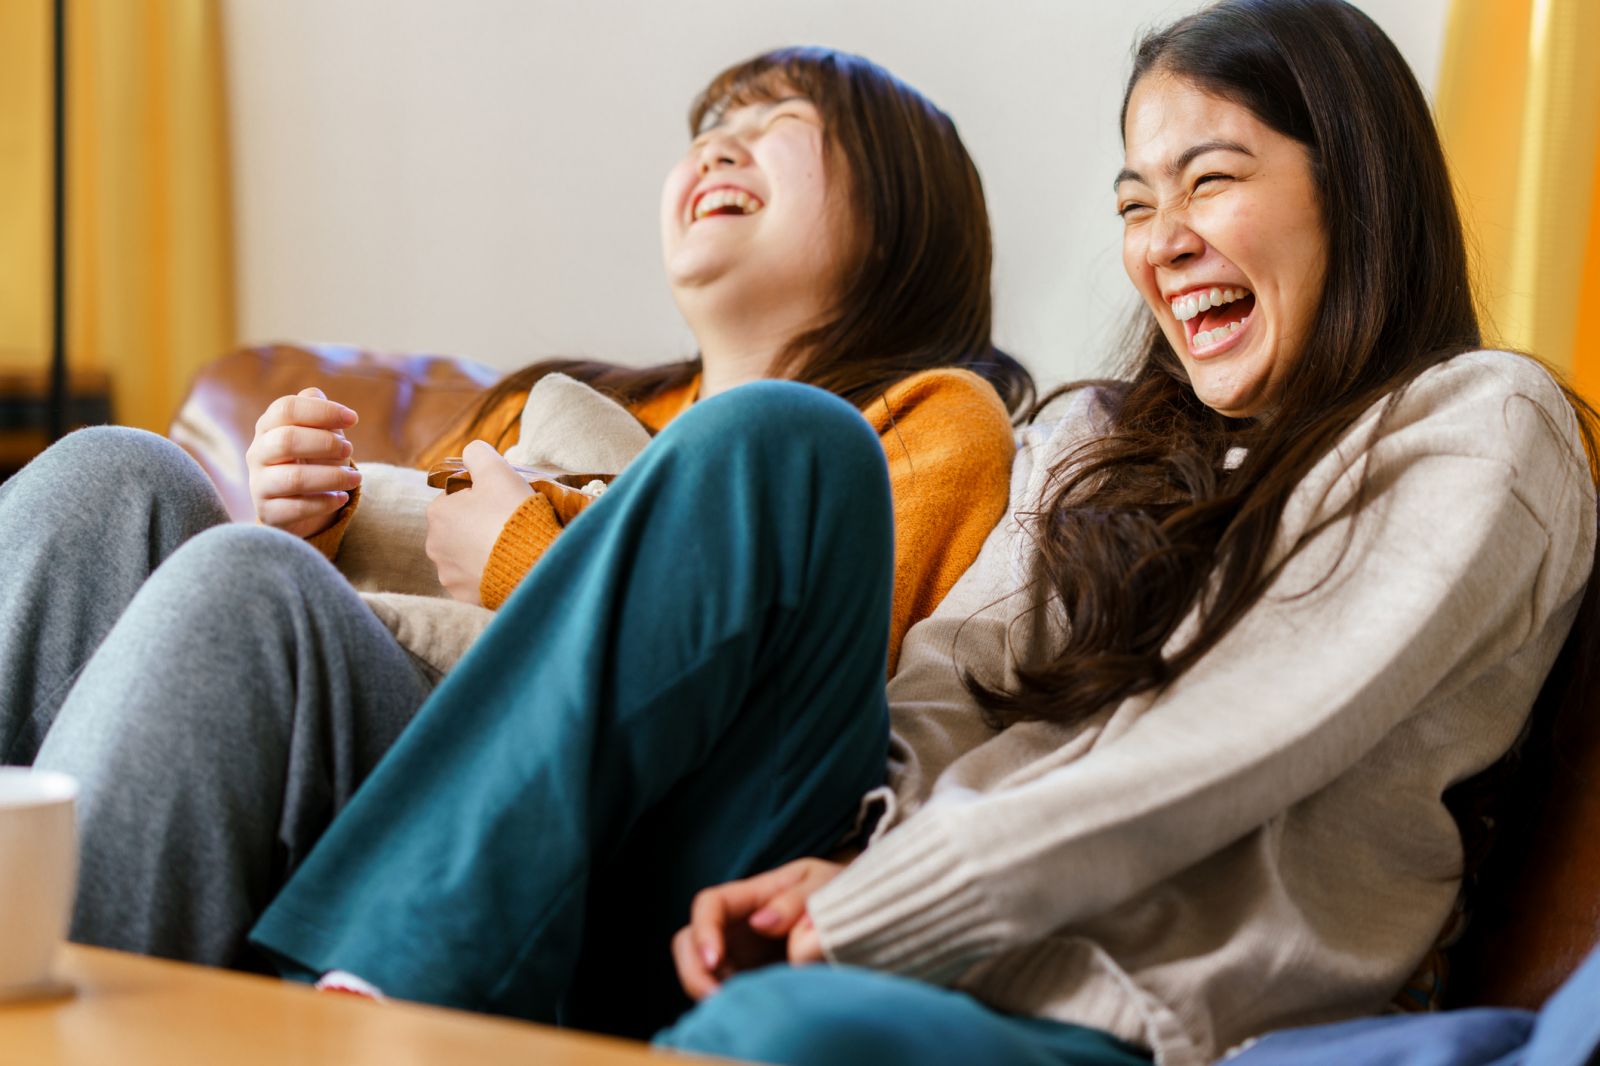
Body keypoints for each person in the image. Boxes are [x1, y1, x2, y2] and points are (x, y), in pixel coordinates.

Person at [241, 0, 1596, 1063]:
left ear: (1355, 186)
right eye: (1136, 202)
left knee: (773, 1032)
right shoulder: (1095, 443)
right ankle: (363, 989)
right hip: (845, 895)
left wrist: (882, 904)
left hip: (1123, 1016)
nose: (1163, 240)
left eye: (1211, 180)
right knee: (783, 436)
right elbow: (948, 682)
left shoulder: (1481, 426)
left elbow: (1228, 743)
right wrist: (839, 864)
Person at [0, 48, 1028, 973]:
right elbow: (378, 601)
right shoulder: (565, 399)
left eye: (778, 127)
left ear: (902, 211)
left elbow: (830, 647)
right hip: (410, 761)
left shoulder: (921, 418)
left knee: (248, 589)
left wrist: (522, 555)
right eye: (711, 130)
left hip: (654, 823)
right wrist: (302, 521)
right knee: (109, 476)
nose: (720, 147)